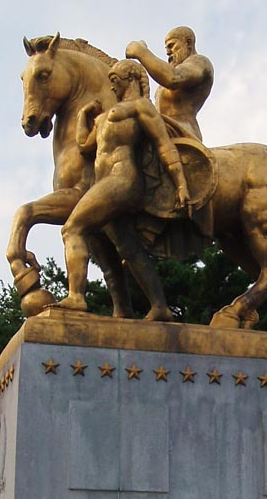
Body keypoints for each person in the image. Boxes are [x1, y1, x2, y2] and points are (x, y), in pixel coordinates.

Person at [59, 59, 191, 320]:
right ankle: (160, 307)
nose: (111, 84)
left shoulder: (141, 108)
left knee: (72, 228)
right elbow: (85, 145)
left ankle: (76, 297)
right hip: (106, 183)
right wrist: (82, 116)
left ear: (130, 77)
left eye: (115, 79)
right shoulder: (107, 114)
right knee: (128, 249)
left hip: (123, 180)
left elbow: (164, 145)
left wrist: (181, 184)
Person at [125, 26, 213, 142]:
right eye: (166, 48)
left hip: (180, 131)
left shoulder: (199, 62)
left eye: (172, 45)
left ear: (188, 43)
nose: (167, 52)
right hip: (161, 127)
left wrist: (140, 52)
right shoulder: (162, 87)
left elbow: (173, 78)